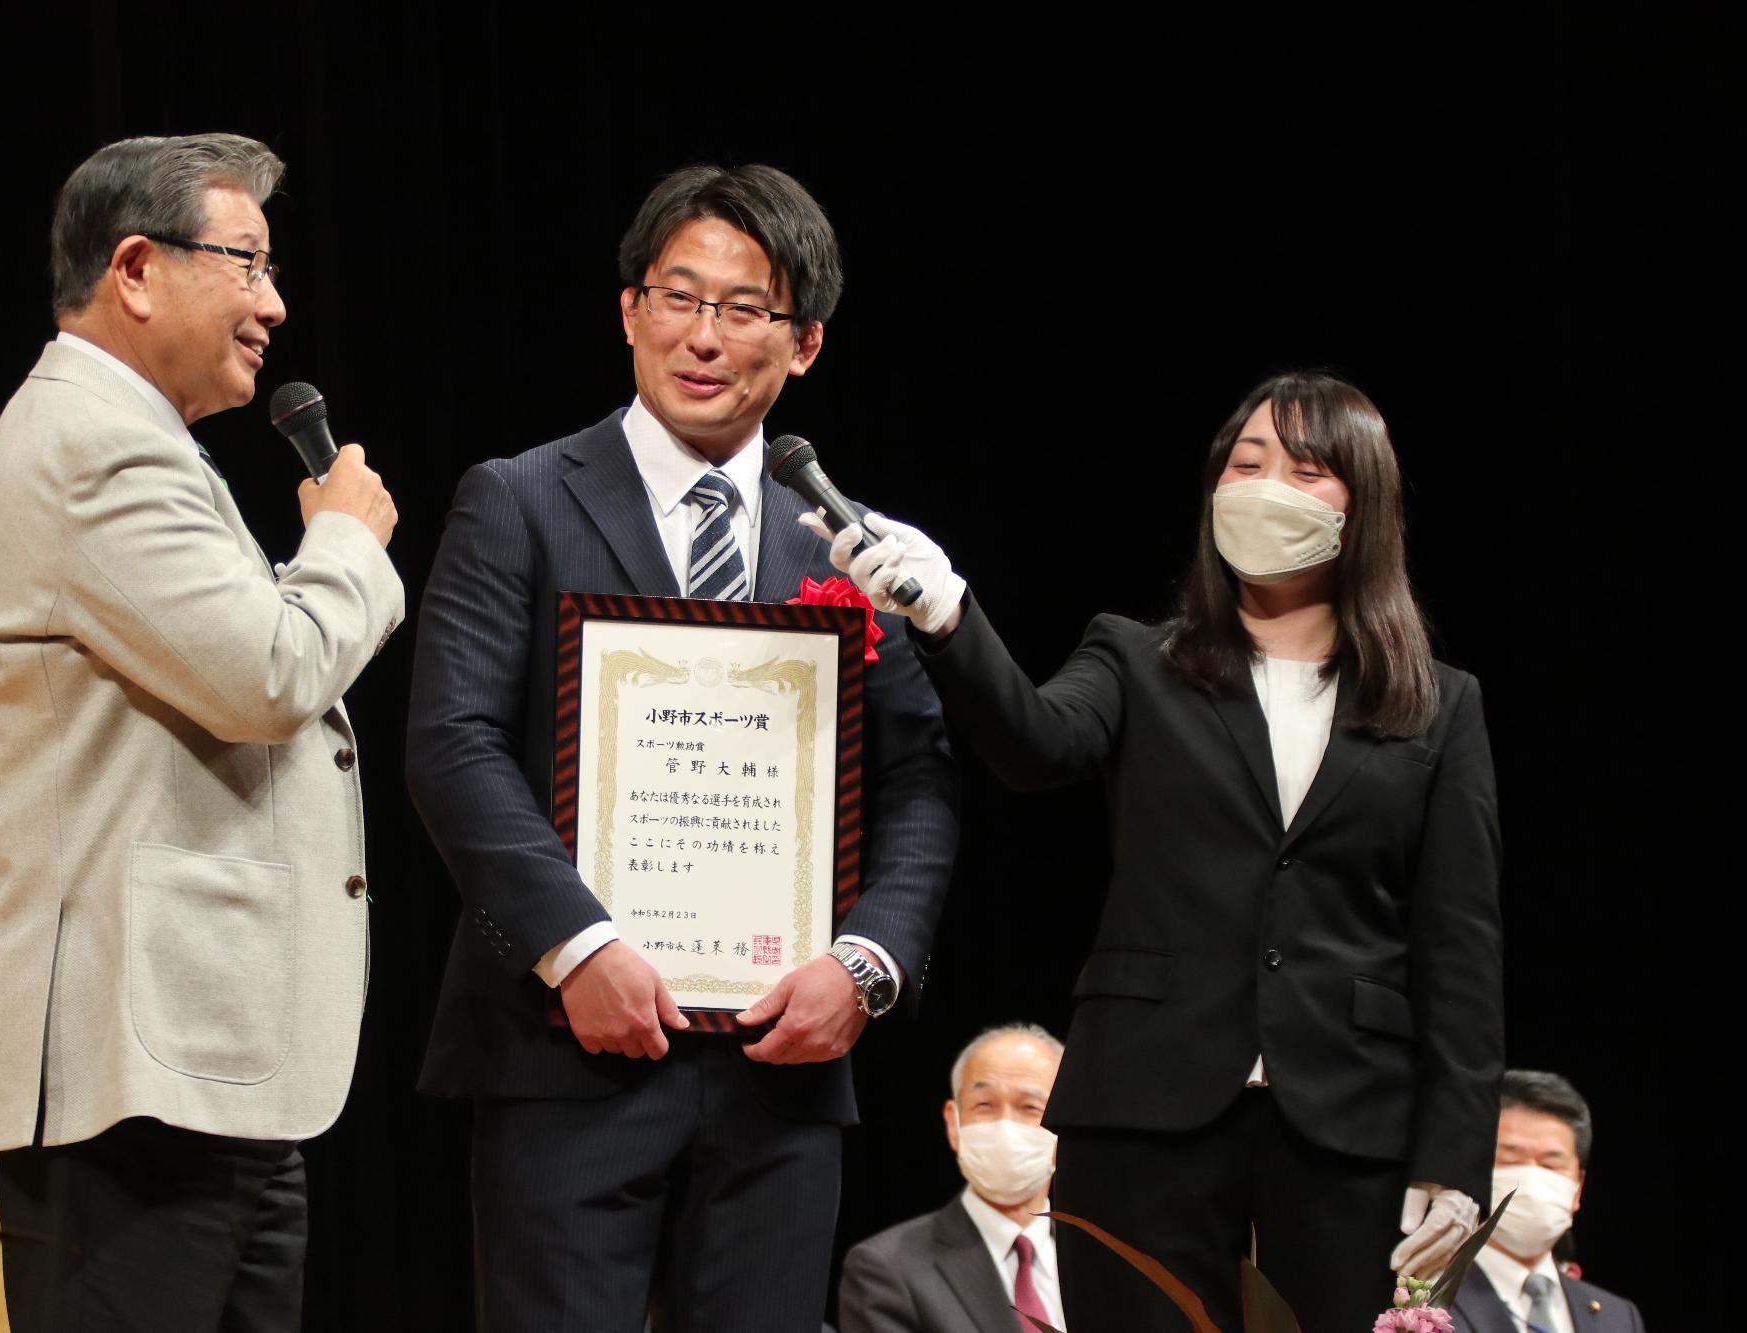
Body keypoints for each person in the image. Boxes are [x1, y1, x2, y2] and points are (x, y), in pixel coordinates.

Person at [807, 371, 1503, 1332]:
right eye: (1245, 462)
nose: (1265, 487)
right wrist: (948, 615)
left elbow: (1462, 948)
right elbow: (1035, 743)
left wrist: (1456, 1160)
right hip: (1142, 1101)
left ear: (1364, 503)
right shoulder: (1139, 657)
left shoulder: (1438, 702)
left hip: (1351, 1123)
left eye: (1305, 470)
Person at [405, 163, 959, 1333]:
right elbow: (451, 745)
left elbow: (918, 780)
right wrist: (576, 944)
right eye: (677, 295)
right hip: (565, 1054)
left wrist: (864, 968)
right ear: (628, 311)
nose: (703, 337)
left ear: (802, 342)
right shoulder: (515, 499)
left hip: (782, 1065)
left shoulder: (849, 543)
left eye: (744, 308)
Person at [0, 133, 404, 1333]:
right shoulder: (91, 444)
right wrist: (346, 541)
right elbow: (269, 672)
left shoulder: (143, 441)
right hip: (135, 1083)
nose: (275, 303)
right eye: (244, 262)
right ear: (138, 270)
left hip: (208, 1072)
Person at [841, 1024, 1066, 1333]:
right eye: (984, 1105)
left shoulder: (1108, 1259)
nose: (1005, 1126)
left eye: (1030, 1107)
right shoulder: (886, 1268)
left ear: (1064, 1128)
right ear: (953, 1122)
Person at [1452, 1070, 1646, 1333]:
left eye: (1550, 1164)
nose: (1531, 1180)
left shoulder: (1619, 1316)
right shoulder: (1425, 1302)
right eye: (1510, 1160)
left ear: (1578, 1188)